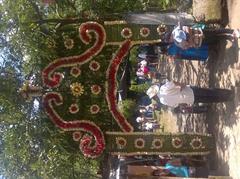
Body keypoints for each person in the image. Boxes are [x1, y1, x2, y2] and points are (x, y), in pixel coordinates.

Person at [146, 81, 233, 108]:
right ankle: (227, 93)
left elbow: (176, 105)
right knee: (209, 92)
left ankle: (226, 99)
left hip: (189, 100)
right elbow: (173, 83)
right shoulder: (163, 88)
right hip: (189, 91)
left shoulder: (162, 101)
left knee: (209, 99)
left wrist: (186, 102)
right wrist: (182, 85)